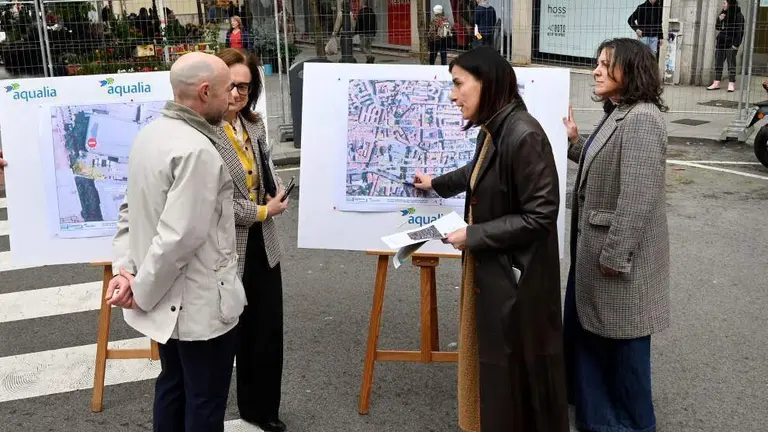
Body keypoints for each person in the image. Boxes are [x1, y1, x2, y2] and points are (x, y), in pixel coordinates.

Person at [413, 46, 569, 432]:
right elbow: (477, 170)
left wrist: (475, 234)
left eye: (458, 84)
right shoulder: (497, 128)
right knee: (501, 379)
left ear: (488, 83)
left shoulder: (524, 134)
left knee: (517, 382)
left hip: (519, 284)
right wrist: (436, 183)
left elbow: (541, 214)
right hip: (501, 277)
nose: (452, 95)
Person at [106, 52, 246, 432]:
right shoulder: (198, 150)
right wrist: (141, 289)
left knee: (173, 386)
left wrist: (127, 272)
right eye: (226, 88)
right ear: (204, 92)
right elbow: (179, 237)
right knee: (204, 400)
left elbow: (129, 212)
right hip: (200, 303)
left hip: (167, 299)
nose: (232, 96)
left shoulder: (149, 134)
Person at [561, 37, 670, 432]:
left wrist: (613, 256)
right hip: (596, 256)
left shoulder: (642, 119)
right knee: (595, 337)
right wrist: (575, 143)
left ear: (631, 70)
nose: (596, 70)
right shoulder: (620, 112)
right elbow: (600, 161)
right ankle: (597, 418)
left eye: (606, 64)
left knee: (622, 346)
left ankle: (628, 424)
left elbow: (637, 197)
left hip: (615, 261)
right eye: (597, 63)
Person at [213, 48, 289, 432]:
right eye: (232, 85)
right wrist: (263, 211)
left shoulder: (254, 125)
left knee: (268, 331)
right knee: (231, 334)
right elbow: (219, 205)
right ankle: (236, 409)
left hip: (265, 243)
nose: (238, 93)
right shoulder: (206, 133)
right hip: (228, 247)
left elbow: (266, 172)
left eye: (245, 86)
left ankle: (265, 411)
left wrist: (276, 197)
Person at [707, 0, 744, 92]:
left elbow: (740, 32)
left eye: (724, 3)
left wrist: (736, 45)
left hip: (731, 44)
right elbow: (718, 28)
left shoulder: (739, 15)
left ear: (730, 4)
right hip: (721, 42)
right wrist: (719, 20)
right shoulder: (723, 13)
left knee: (731, 65)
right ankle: (716, 82)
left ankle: (731, 83)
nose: (723, 5)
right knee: (718, 64)